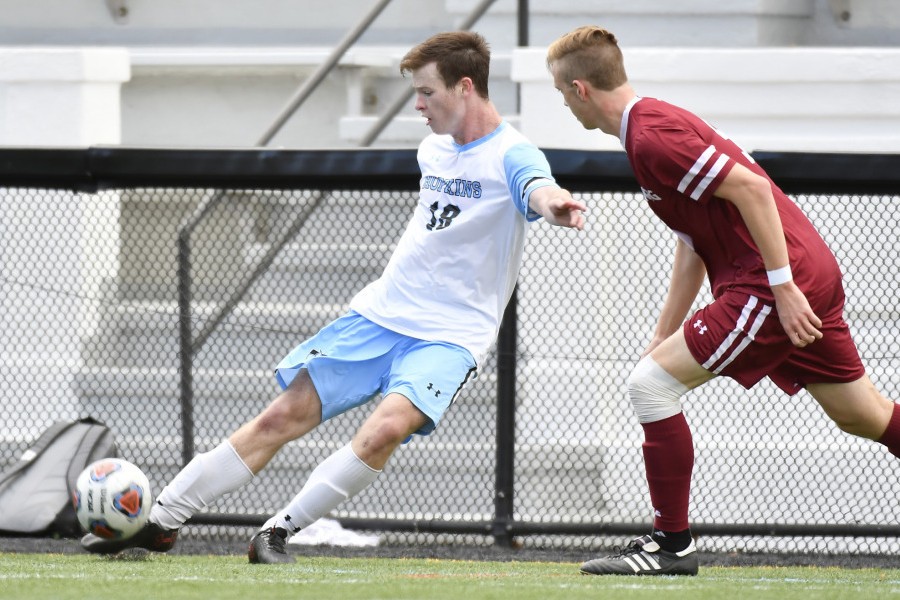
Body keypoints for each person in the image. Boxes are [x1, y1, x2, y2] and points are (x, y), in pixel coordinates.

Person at [81, 31, 586, 563]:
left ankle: (275, 533)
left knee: (385, 430)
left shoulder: (513, 151)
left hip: (452, 336)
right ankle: (162, 521)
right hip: (380, 315)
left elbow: (535, 184)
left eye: (426, 93)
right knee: (279, 419)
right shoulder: (433, 148)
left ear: (465, 88)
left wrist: (553, 204)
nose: (417, 105)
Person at [545, 25, 900, 577]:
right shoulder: (645, 130)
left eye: (562, 92)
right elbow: (693, 243)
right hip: (795, 274)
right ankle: (669, 544)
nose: (563, 103)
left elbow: (754, 190)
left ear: (581, 89)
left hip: (771, 281)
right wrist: (664, 332)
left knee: (650, 385)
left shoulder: (651, 135)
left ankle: (670, 546)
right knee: (865, 416)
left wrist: (782, 288)